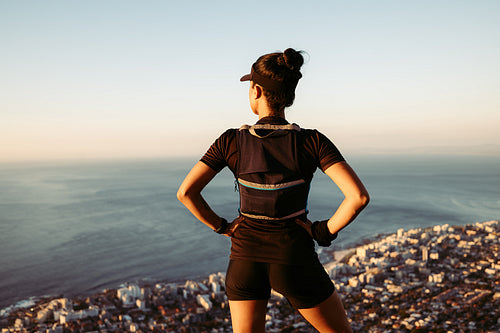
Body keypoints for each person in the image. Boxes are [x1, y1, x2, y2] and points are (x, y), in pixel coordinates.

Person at [177, 48, 369, 333]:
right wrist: (322, 231)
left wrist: (223, 227)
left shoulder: (231, 141)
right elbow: (358, 197)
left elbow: (186, 193)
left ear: (255, 91)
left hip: (244, 258)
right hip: (294, 258)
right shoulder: (312, 141)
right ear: (289, 95)